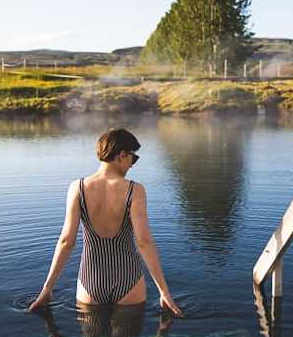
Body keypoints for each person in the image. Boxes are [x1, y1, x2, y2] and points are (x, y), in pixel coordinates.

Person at [28, 127, 183, 320]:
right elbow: (144, 242)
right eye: (133, 158)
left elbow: (67, 241)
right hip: (129, 281)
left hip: (90, 283)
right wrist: (164, 292)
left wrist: (47, 288)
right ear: (121, 155)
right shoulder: (135, 190)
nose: (132, 165)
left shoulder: (77, 188)